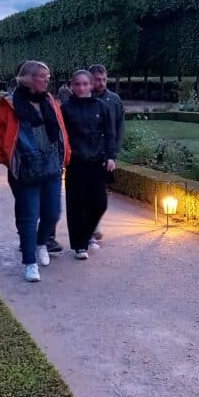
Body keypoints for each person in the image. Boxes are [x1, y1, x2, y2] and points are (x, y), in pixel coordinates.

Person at [0, 61, 70, 283]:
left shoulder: (50, 102)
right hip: (25, 168)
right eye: (42, 76)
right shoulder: (9, 104)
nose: (47, 79)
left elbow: (61, 131)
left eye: (48, 75)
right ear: (28, 79)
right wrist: (9, 157)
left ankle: (41, 242)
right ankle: (29, 263)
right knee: (29, 216)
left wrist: (65, 155)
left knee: (52, 213)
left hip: (51, 165)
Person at [60, 70, 116, 260]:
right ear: (72, 86)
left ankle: (86, 235)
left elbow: (110, 133)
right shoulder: (66, 108)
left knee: (100, 203)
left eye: (85, 84)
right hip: (76, 162)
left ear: (91, 85)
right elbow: (62, 137)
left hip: (96, 162)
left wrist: (111, 156)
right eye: (77, 84)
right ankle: (79, 245)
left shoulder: (101, 107)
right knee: (76, 204)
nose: (81, 88)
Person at [88, 64, 124, 245]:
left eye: (103, 79)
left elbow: (119, 127)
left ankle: (94, 224)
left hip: (105, 154)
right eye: (97, 80)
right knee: (89, 193)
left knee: (101, 193)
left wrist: (113, 154)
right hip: (87, 154)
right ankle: (92, 228)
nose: (101, 83)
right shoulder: (83, 98)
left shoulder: (114, 99)